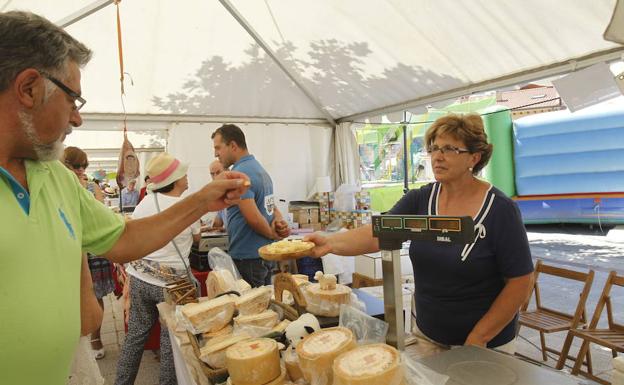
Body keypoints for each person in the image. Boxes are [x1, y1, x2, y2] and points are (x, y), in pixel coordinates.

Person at [0, 11, 249, 385]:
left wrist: (202, 200)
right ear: (29, 88)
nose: (77, 119)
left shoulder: (55, 176)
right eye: (73, 100)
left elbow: (124, 240)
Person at [305, 113, 534, 352]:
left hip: (485, 344)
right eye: (434, 148)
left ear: (474, 158)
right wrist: (329, 243)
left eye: (449, 149)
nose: (437, 156)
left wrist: (479, 336)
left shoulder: (500, 210)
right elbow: (378, 233)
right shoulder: (421, 200)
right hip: (428, 335)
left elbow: (520, 282)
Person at [116, 153, 201, 385]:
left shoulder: (145, 203)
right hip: (172, 286)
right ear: (175, 179)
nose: (187, 177)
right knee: (170, 343)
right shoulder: (187, 207)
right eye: (183, 173)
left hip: (140, 279)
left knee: (135, 337)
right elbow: (197, 238)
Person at [212, 124, 290, 287]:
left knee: (253, 308)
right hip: (263, 254)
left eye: (218, 148)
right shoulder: (259, 169)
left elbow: (253, 218)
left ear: (233, 145)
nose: (216, 154)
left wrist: (273, 234)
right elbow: (271, 207)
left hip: (249, 257)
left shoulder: (241, 174)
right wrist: (278, 223)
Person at [63, 146, 114, 359]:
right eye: (76, 165)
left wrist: (85, 190)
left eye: (84, 165)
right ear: (65, 165)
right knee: (73, 296)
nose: (81, 169)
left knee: (97, 293)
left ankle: (96, 338)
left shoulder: (91, 186)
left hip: (93, 250)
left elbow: (99, 214)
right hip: (70, 250)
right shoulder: (59, 185)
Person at [209, 159, 228, 231]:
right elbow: (218, 222)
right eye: (212, 174)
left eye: (218, 172)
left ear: (228, 172)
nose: (215, 177)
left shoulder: (236, 192)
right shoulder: (221, 194)